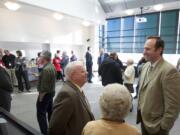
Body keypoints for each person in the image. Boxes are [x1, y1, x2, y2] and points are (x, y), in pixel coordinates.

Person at [137, 36, 180, 135]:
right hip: (144, 121)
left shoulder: (170, 71)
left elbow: (173, 105)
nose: (144, 52)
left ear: (159, 50)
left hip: (158, 127)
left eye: (148, 49)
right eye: (144, 48)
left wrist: (164, 127)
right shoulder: (146, 66)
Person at [49, 61, 95, 135]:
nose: (86, 73)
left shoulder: (75, 89)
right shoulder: (67, 94)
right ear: (73, 75)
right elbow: (55, 127)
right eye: (83, 71)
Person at [36, 50, 56, 135]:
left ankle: (45, 132)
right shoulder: (51, 66)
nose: (39, 58)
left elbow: (44, 88)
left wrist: (40, 98)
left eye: (40, 56)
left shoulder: (46, 69)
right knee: (50, 112)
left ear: (44, 58)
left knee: (41, 114)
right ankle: (52, 129)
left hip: (45, 94)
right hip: (51, 93)